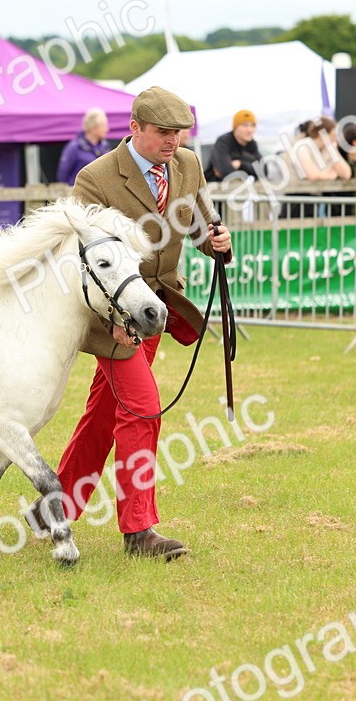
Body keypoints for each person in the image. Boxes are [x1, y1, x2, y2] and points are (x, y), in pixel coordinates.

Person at [30, 87, 232, 561]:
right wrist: (117, 318)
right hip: (111, 318)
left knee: (104, 415)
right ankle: (139, 531)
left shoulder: (187, 166)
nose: (173, 142)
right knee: (142, 407)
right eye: (163, 132)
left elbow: (199, 224)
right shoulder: (95, 178)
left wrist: (217, 241)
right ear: (134, 128)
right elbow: (81, 258)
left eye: (179, 133)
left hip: (155, 311)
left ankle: (51, 511)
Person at [283, 116, 350, 218]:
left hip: (315, 200)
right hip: (297, 200)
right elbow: (313, 175)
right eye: (332, 135)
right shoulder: (303, 146)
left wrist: (334, 152)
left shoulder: (328, 149)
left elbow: (346, 174)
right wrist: (331, 176)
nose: (335, 139)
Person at [56, 108, 111, 185]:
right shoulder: (74, 148)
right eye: (103, 125)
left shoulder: (105, 147)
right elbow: (63, 177)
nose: (107, 129)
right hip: (77, 194)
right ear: (93, 127)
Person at [205, 109, 263, 182]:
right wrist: (250, 166)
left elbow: (264, 171)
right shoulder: (223, 142)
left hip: (241, 186)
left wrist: (240, 164)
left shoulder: (252, 144)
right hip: (215, 187)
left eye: (252, 126)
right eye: (245, 125)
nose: (249, 130)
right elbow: (227, 172)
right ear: (235, 127)